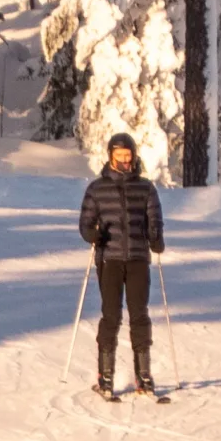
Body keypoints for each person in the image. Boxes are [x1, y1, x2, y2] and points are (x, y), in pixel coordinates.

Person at [78, 131, 166, 400]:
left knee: (140, 314)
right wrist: (92, 235)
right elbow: (85, 223)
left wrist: (156, 237)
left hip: (138, 258)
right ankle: (105, 375)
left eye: (128, 157)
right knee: (111, 315)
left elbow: (155, 217)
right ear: (111, 157)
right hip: (110, 259)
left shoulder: (146, 187)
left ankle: (144, 375)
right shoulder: (97, 188)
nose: (125, 162)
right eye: (120, 157)